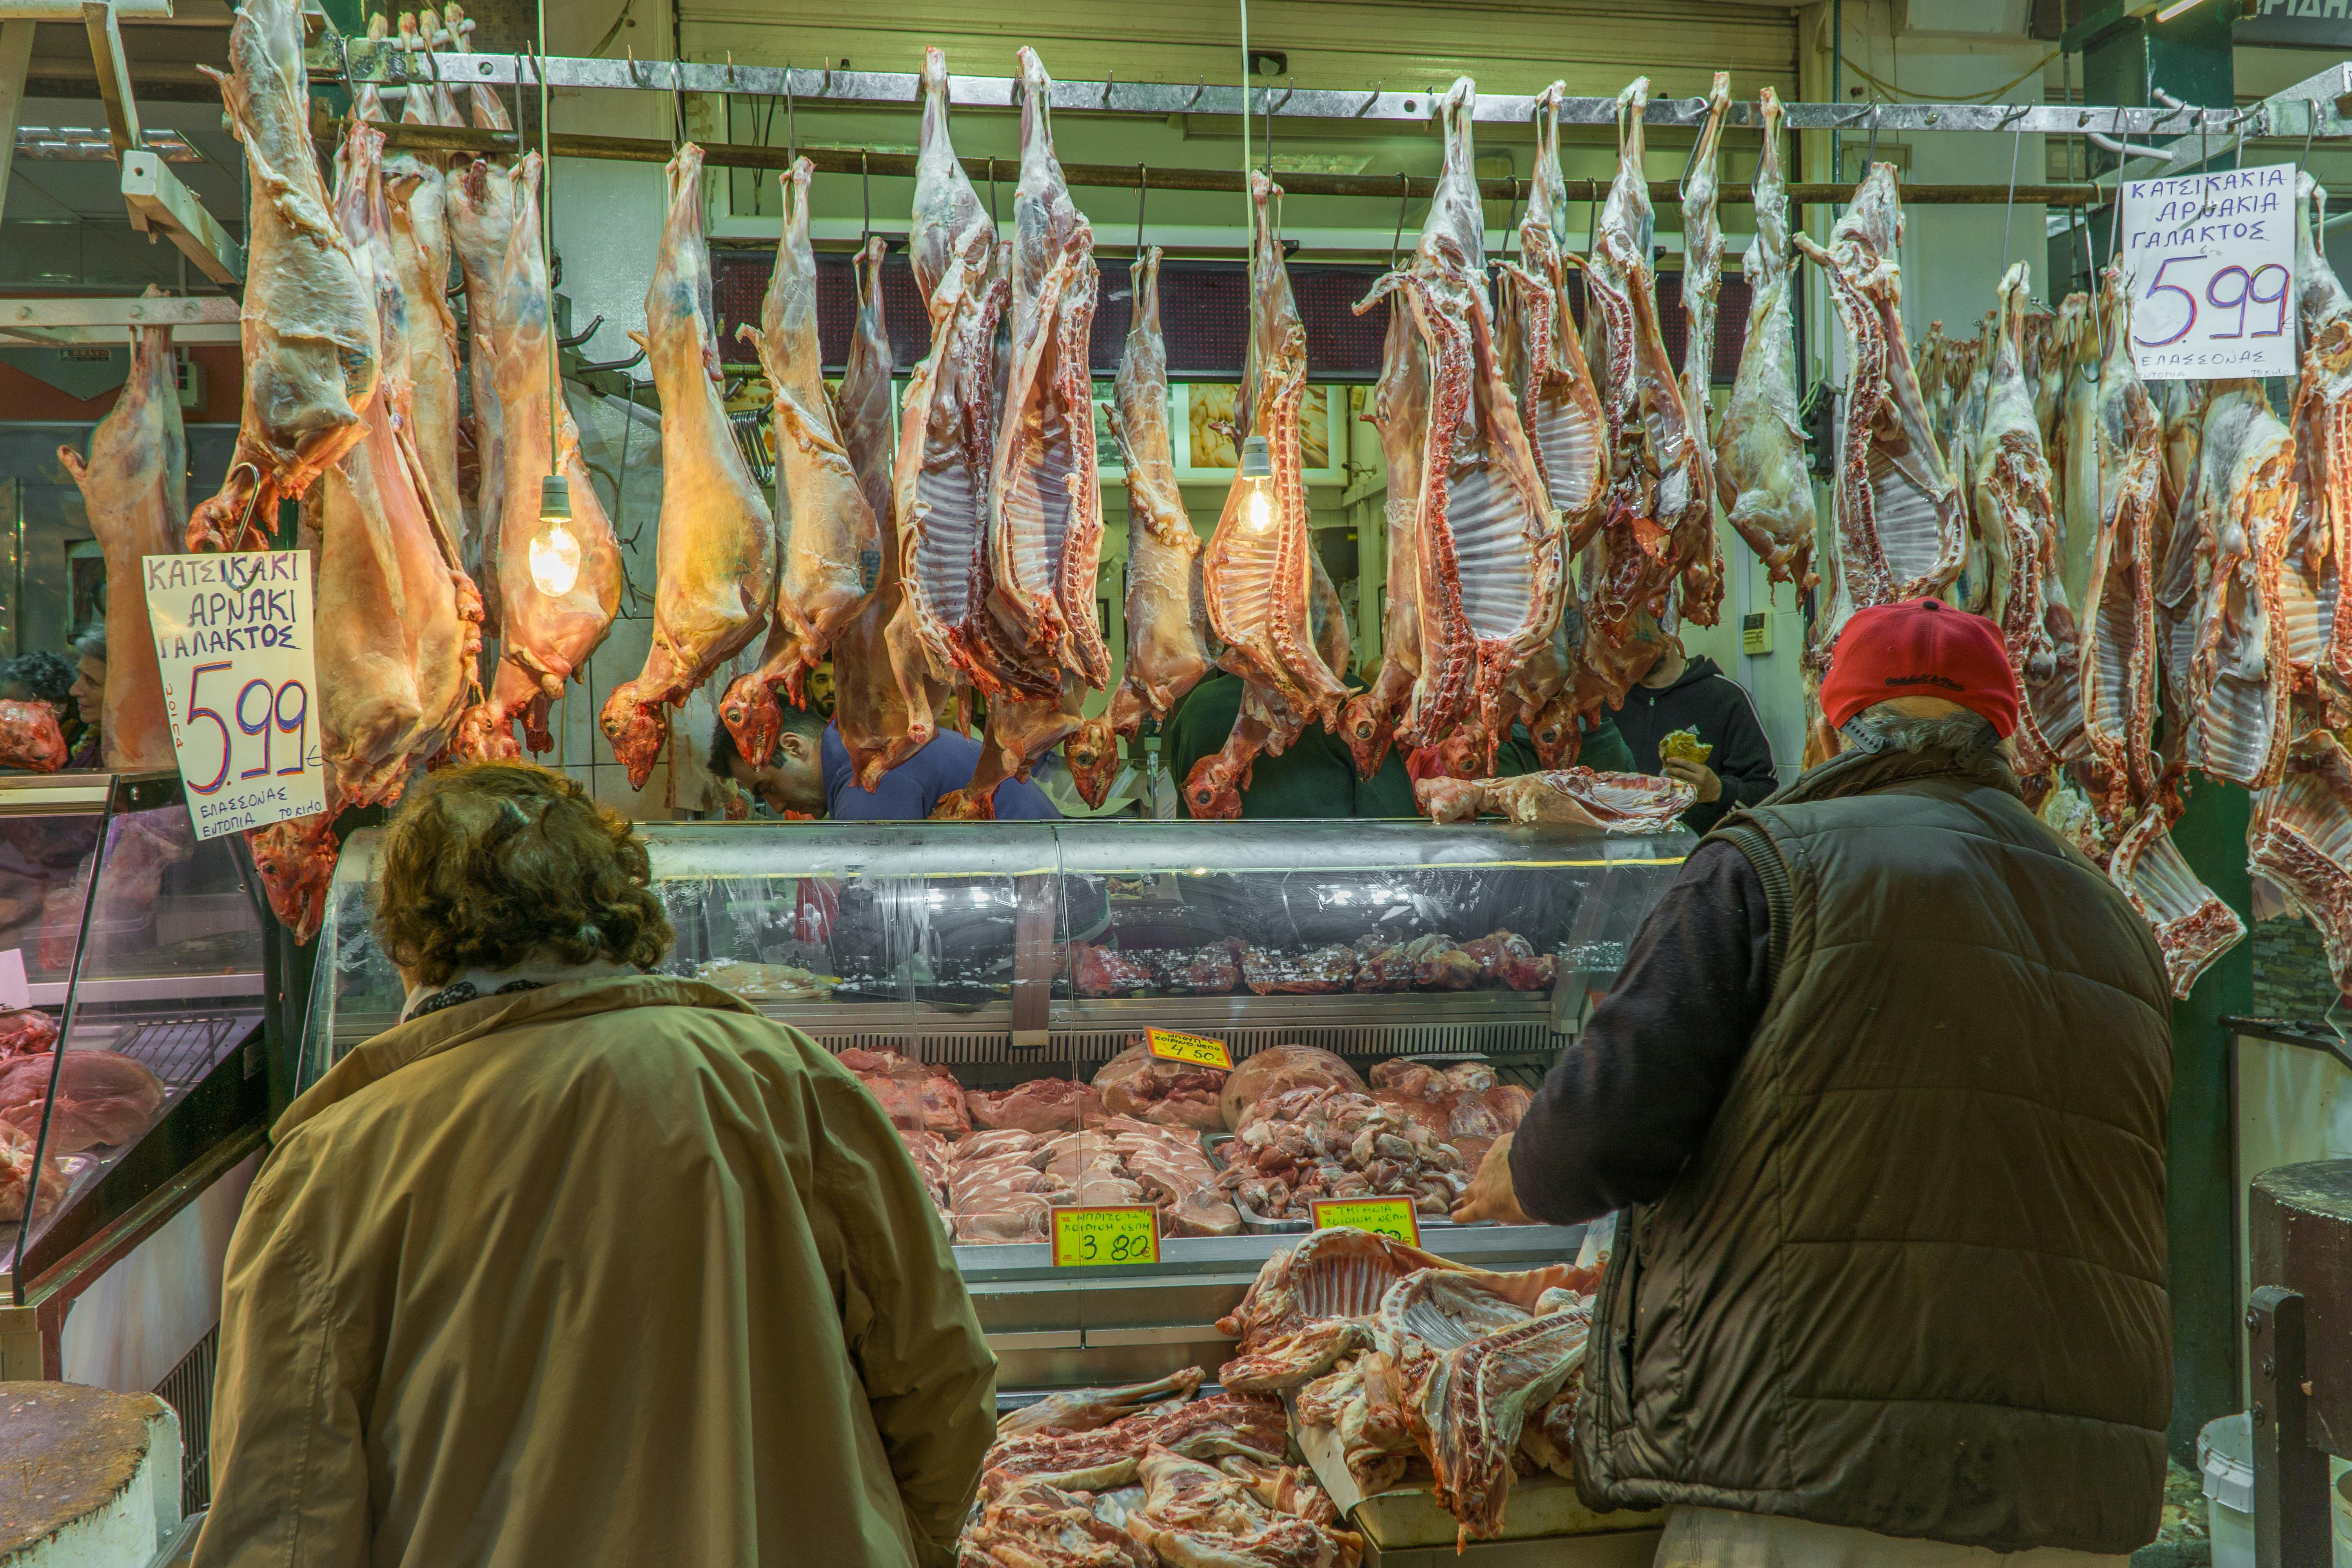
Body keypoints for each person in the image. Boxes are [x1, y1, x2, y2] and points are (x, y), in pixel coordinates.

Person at [1457, 599, 2173, 1564]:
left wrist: (1521, 1165)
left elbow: (1601, 1133)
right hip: (2067, 1504)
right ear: (2005, 737)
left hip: (1812, 1487)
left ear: (1832, 727)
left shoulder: (1766, 863)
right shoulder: (2117, 923)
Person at [195, 762, 996, 1568]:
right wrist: (898, 1539)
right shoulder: (782, 1080)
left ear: (410, 940)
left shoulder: (332, 1163)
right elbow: (943, 1381)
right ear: (616, 907)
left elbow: (281, 1515)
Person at [1164, 670, 1637, 818]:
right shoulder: (1348, 702)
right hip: (1328, 904)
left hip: (1218, 896)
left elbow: (1182, 788)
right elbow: (1390, 814)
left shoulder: (1191, 708)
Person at [711, 702, 1058, 821]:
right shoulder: (863, 748)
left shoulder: (867, 774)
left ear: (794, 747)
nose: (776, 804)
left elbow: (874, 911)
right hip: (1041, 897)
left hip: (1051, 914)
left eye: (768, 787)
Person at [1609, 635, 1777, 834]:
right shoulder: (1609, 700)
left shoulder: (1726, 697)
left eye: (1639, 637)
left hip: (1700, 857)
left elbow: (1768, 794)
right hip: (1617, 855)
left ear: (1669, 634)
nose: (1629, 649)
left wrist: (1719, 791)